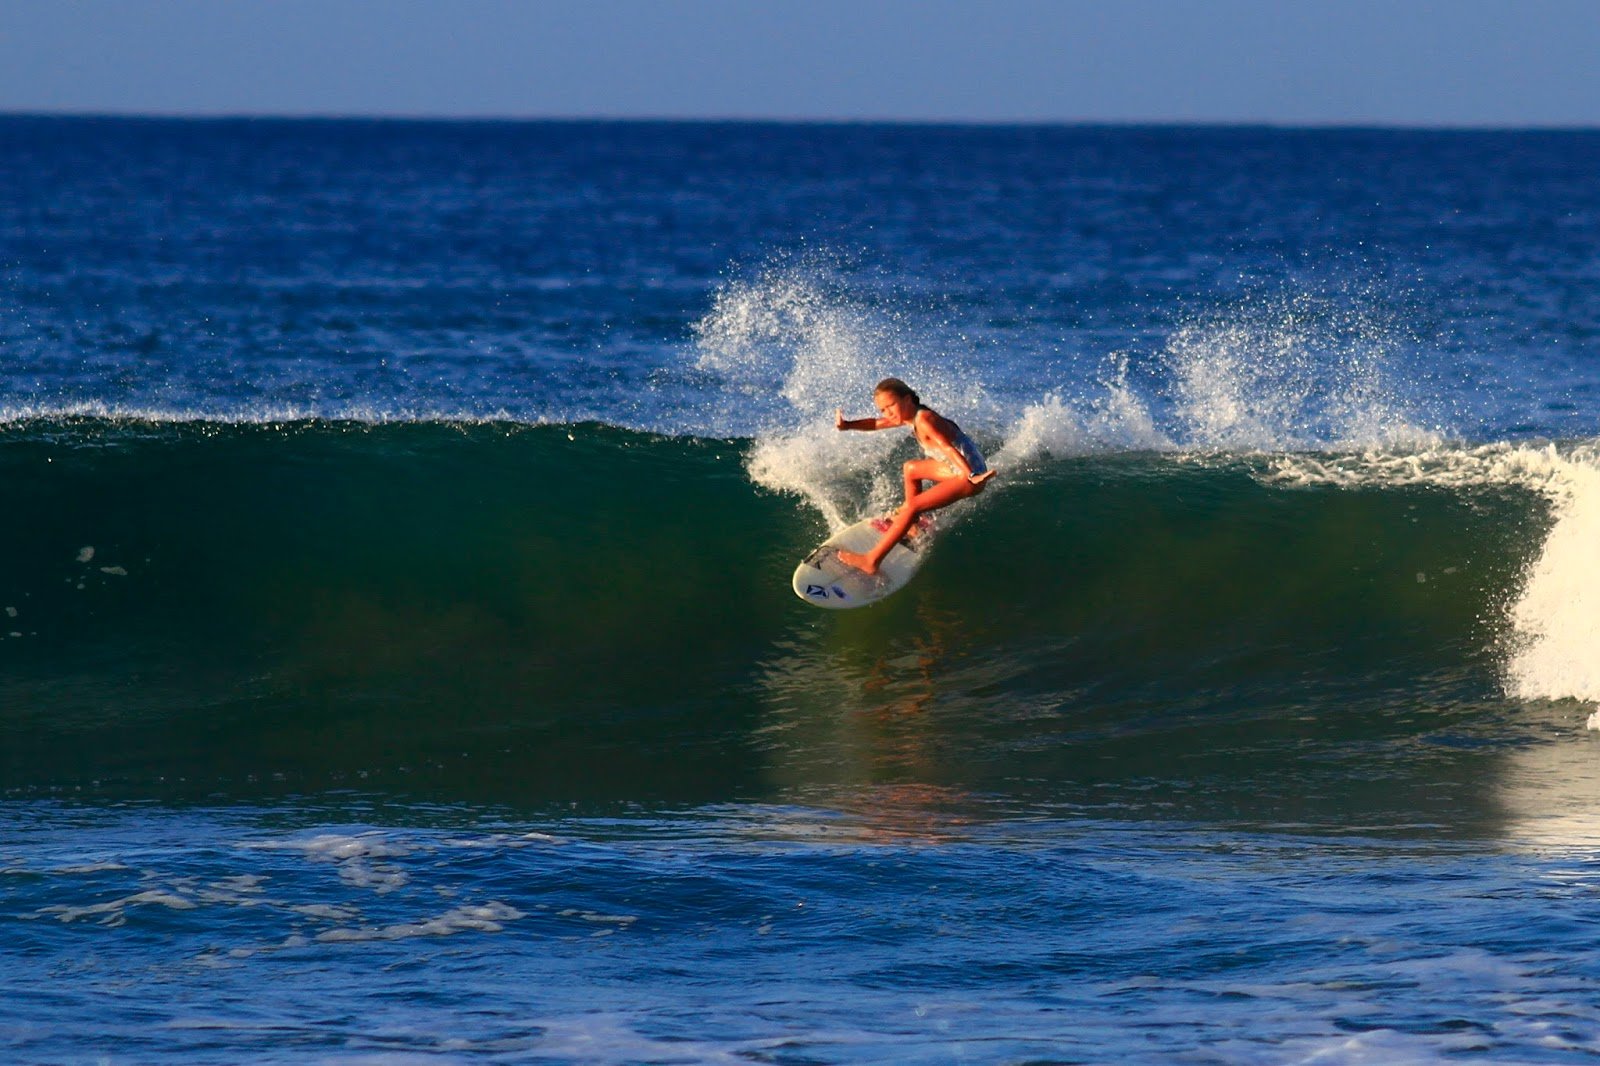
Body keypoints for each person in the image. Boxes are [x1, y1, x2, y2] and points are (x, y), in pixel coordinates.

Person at [833, 378, 995, 575]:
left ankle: (871, 560)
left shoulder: (925, 420)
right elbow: (876, 424)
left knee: (912, 505)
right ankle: (913, 523)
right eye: (883, 409)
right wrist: (848, 425)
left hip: (968, 473)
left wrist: (972, 475)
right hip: (955, 468)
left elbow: (948, 448)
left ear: (908, 399)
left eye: (891, 405)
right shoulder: (912, 416)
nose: (887, 413)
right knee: (911, 468)